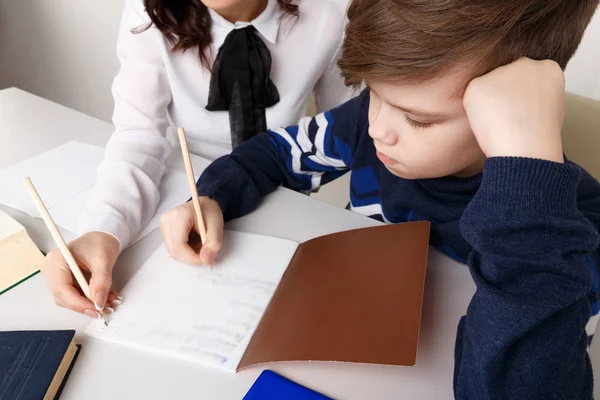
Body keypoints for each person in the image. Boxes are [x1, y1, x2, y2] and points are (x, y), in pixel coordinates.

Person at [160, 0, 600, 398]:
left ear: (517, 110)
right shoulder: (367, 123)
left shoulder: (566, 230)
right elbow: (276, 154)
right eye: (373, 93)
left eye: (418, 120)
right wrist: (213, 198)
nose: (377, 129)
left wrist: (526, 179)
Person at [40, 0, 352, 317]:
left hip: (281, 205)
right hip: (181, 210)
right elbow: (138, 135)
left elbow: (350, 131)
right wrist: (103, 229)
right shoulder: (150, 11)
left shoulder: (329, 16)